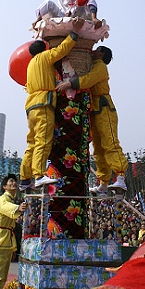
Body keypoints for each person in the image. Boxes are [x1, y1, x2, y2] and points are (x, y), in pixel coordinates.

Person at [19, 16, 85, 190]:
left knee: (32, 142)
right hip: (43, 104)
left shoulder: (31, 65)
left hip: (31, 106)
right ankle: (39, 175)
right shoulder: (44, 58)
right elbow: (62, 50)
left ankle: (25, 179)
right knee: (42, 140)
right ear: (44, 49)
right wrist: (74, 33)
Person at [56, 45, 128, 193]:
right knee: (99, 148)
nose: (94, 51)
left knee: (110, 142)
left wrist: (70, 83)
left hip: (104, 108)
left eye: (98, 50)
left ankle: (120, 177)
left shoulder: (100, 66)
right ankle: (104, 182)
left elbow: (89, 79)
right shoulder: (93, 65)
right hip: (94, 109)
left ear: (102, 54)